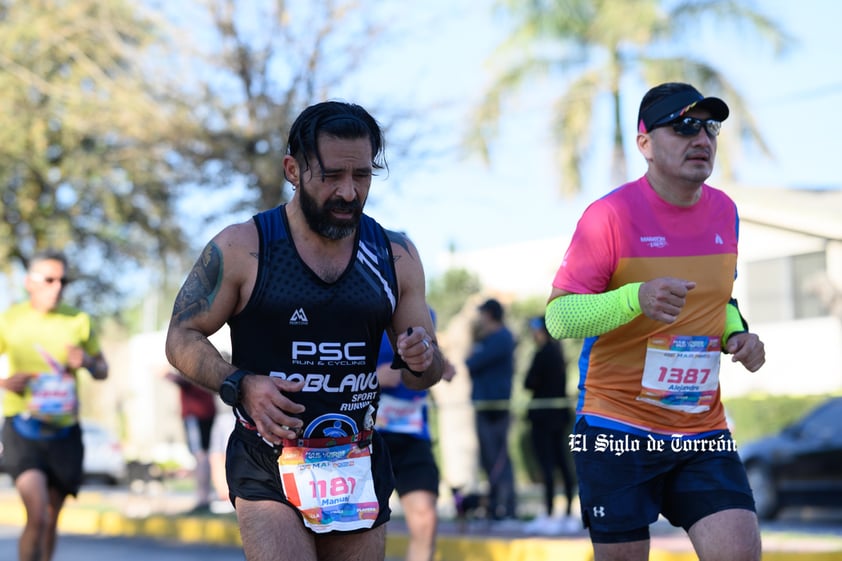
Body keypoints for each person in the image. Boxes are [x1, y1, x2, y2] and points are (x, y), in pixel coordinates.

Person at [164, 100, 445, 561]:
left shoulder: (395, 256)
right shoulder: (243, 247)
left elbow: (423, 373)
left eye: (362, 177)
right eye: (331, 176)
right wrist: (241, 384)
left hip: (354, 459)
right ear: (293, 170)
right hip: (268, 458)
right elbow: (181, 336)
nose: (349, 192)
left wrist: (423, 359)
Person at [544, 82, 766, 561]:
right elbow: (558, 316)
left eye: (710, 126)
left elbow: (719, 299)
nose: (701, 138)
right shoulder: (609, 216)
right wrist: (634, 299)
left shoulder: (725, 212)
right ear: (644, 143)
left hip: (701, 429)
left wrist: (736, 334)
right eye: (684, 126)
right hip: (616, 428)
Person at [0, 250, 109, 561]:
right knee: (37, 515)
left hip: (64, 433)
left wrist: (87, 361)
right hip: (23, 428)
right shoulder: (10, 320)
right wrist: (5, 383)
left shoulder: (78, 320)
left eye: (63, 280)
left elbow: (103, 371)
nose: (57, 286)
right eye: (49, 279)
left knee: (50, 519)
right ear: (29, 283)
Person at [374, 315, 456, 561]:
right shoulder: (359, 298)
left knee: (425, 519)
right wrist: (375, 377)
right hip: (368, 436)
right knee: (366, 526)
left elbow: (431, 355)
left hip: (412, 434)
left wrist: (442, 366)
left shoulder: (423, 310)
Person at [521, 316, 576, 535]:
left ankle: (550, 513)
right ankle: (567, 514)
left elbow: (528, 382)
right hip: (559, 418)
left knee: (549, 466)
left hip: (544, 419)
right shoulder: (559, 354)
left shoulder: (543, 353)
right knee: (562, 464)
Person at [464, 298, 517, 525]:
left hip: (495, 406)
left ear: (490, 314)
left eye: (483, 313)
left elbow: (473, 363)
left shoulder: (501, 338)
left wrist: (475, 355)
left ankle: (507, 508)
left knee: (499, 461)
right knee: (489, 459)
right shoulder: (488, 339)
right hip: (484, 404)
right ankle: (494, 507)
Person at [164, 368, 216, 512]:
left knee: (200, 456)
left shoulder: (194, 366)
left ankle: (202, 498)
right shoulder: (207, 364)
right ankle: (204, 497)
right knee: (203, 455)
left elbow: (184, 381)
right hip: (205, 411)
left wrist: (166, 374)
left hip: (196, 413)